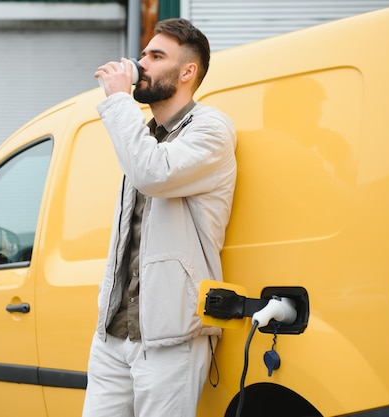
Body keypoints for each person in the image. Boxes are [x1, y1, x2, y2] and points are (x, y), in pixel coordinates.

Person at [83, 18, 237, 417]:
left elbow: (153, 174)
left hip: (171, 340)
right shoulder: (144, 135)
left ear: (188, 71)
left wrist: (118, 100)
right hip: (113, 335)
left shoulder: (211, 129)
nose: (141, 64)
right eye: (143, 55)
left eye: (156, 55)